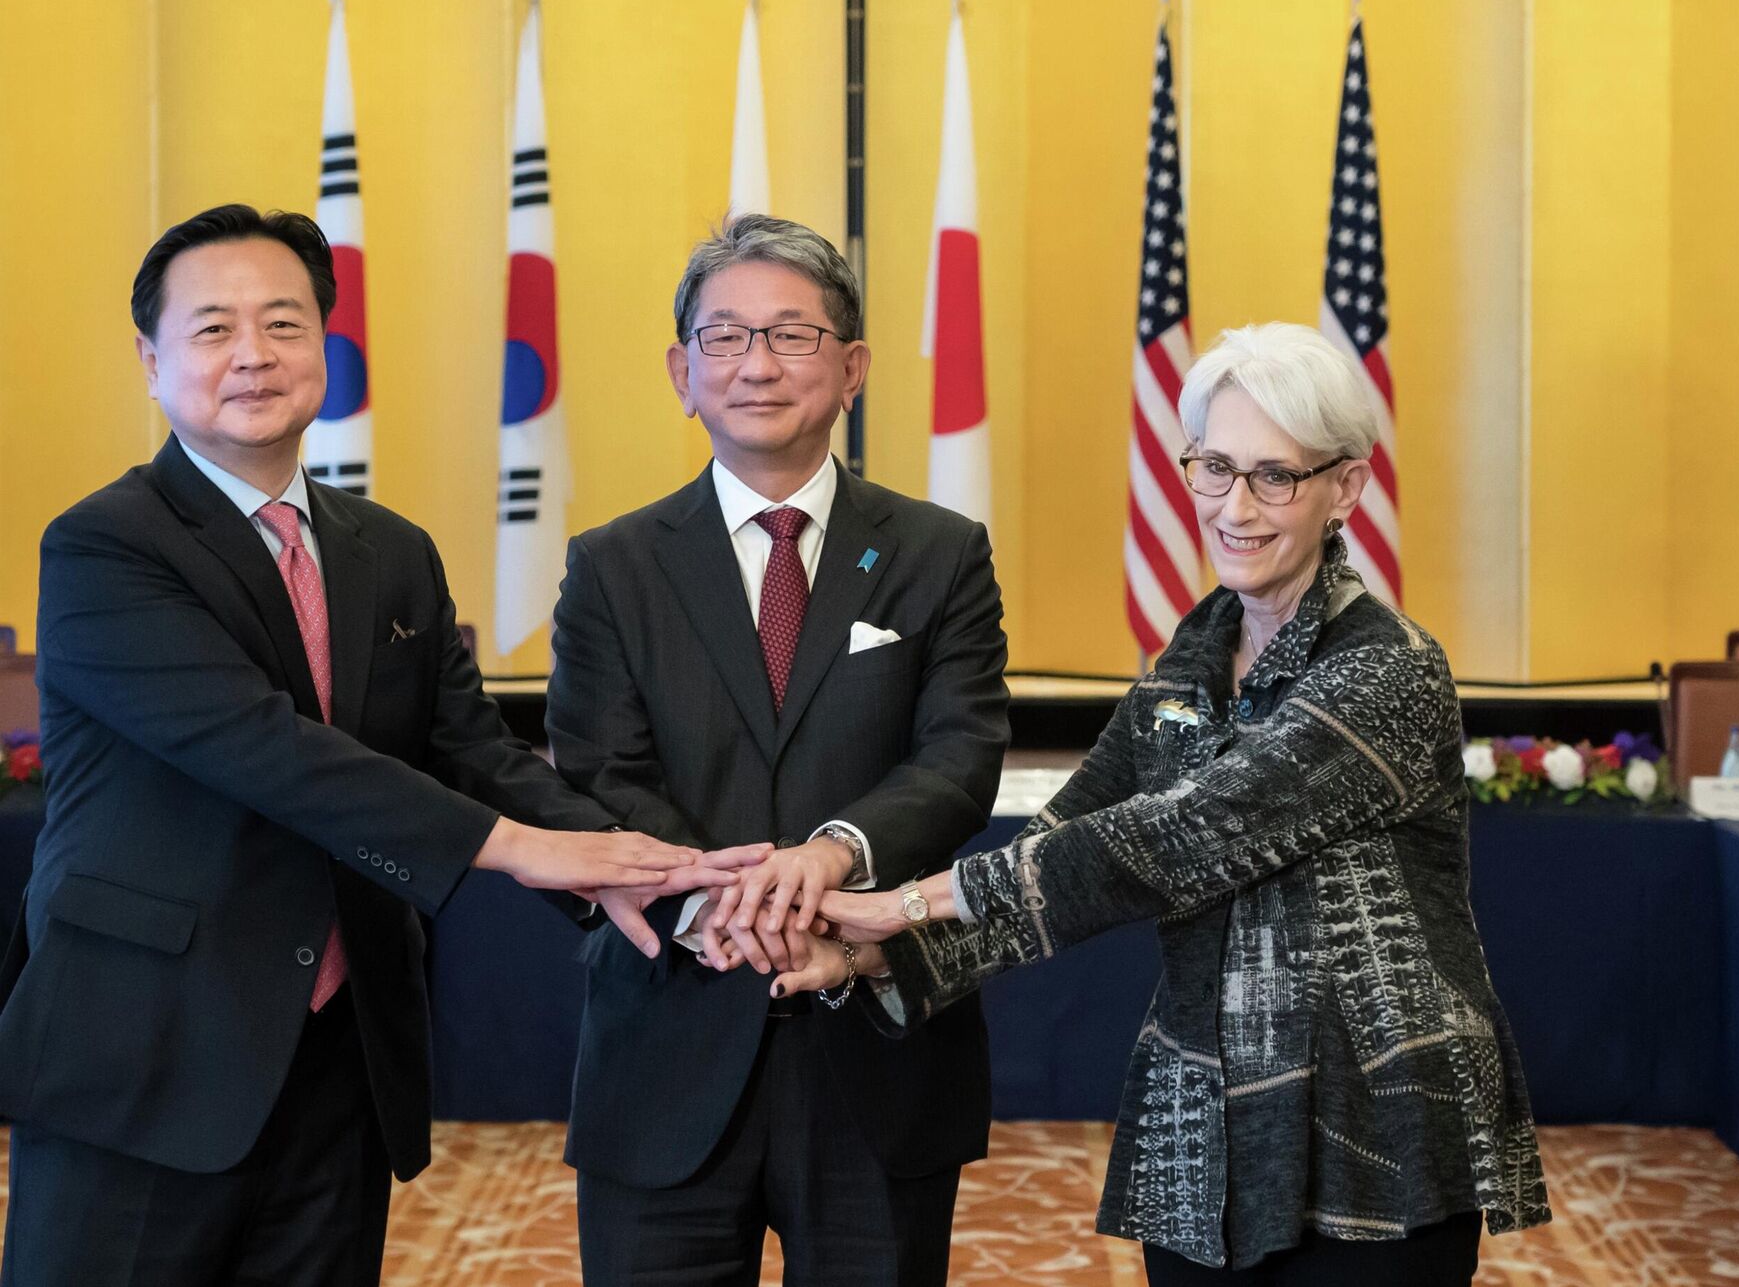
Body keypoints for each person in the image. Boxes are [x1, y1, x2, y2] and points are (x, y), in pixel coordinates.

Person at [0, 204, 754, 1287]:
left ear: (326, 344)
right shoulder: (104, 545)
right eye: (212, 328)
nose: (253, 354)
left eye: (284, 323)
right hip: (145, 1054)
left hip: (341, 1054)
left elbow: (472, 748)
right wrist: (525, 849)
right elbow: (266, 751)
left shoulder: (390, 552)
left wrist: (656, 875)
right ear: (151, 360)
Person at [780, 323, 1552, 1283]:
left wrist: (902, 903)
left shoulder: (1391, 667)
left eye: (1276, 476)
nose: (1236, 505)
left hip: (1376, 1122)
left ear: (1347, 488)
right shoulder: (1191, 655)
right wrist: (874, 954)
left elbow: (1184, 836)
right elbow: (1073, 833)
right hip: (1202, 1132)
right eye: (1215, 467)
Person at [546, 213, 1010, 1286]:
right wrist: (721, 904)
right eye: (725, 336)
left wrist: (834, 853)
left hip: (878, 1037)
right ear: (683, 372)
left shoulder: (940, 553)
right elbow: (599, 773)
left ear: (852, 369)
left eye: (793, 335)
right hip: (670, 1026)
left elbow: (959, 757)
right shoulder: (613, 565)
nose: (757, 364)